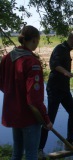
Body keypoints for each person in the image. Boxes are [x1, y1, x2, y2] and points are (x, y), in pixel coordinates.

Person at [0, 25, 52, 160]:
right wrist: (46, 119)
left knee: (16, 153)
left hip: (13, 114)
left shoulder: (7, 58)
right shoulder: (31, 62)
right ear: (34, 40)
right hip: (29, 117)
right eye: (38, 41)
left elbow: (2, 84)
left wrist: (14, 94)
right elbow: (34, 99)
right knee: (31, 155)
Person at [38, 30, 73, 156]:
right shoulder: (60, 48)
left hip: (64, 89)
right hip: (55, 88)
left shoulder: (67, 50)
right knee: (49, 119)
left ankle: (69, 142)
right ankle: (39, 149)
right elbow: (54, 64)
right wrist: (66, 72)